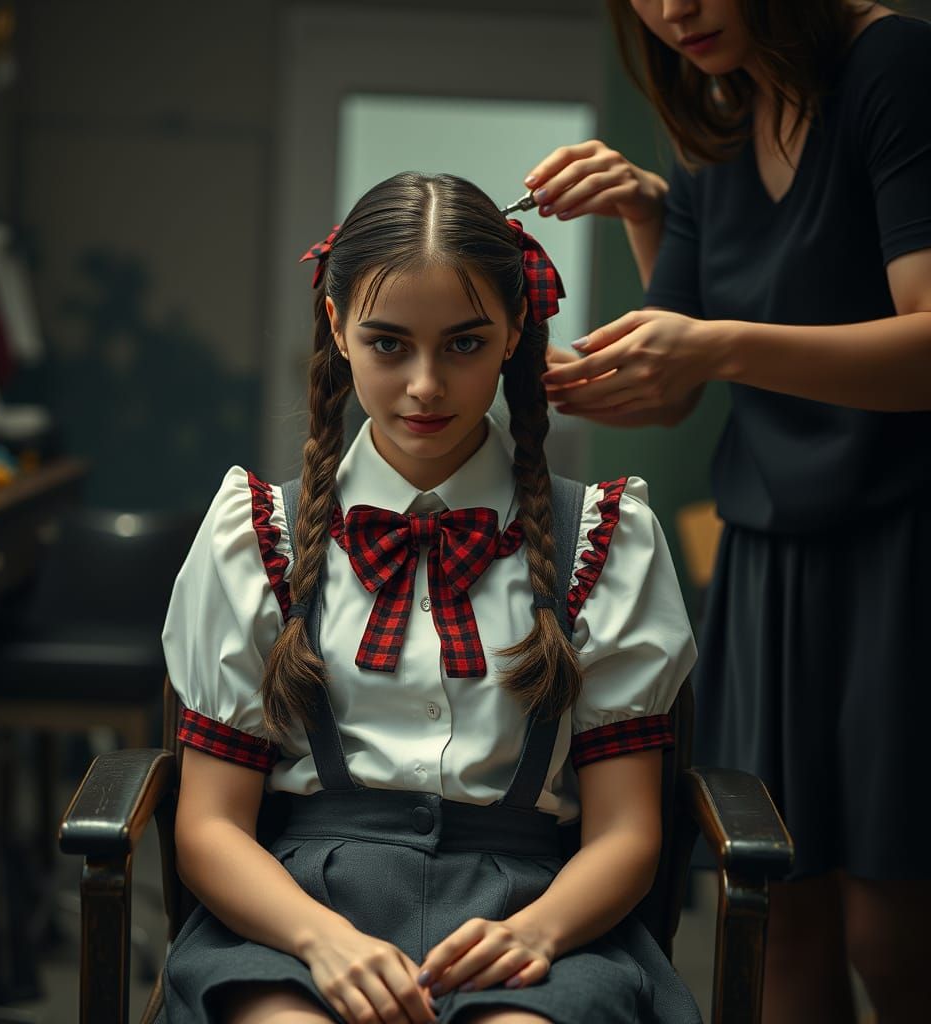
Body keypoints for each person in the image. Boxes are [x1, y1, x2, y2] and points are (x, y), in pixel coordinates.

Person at [159, 172, 701, 1024]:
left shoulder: (604, 538)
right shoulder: (256, 536)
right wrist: (317, 939)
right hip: (294, 909)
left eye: (463, 344)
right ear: (337, 327)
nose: (424, 386)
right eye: (388, 344)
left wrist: (538, 933)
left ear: (516, 330)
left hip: (530, 911)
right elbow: (210, 826)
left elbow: (628, 829)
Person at [524, 3, 931, 1024]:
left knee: (895, 928)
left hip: (904, 550)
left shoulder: (892, 65)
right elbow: (666, 385)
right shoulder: (713, 107)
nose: (674, 11)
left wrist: (719, 345)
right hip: (763, 560)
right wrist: (630, 227)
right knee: (773, 909)